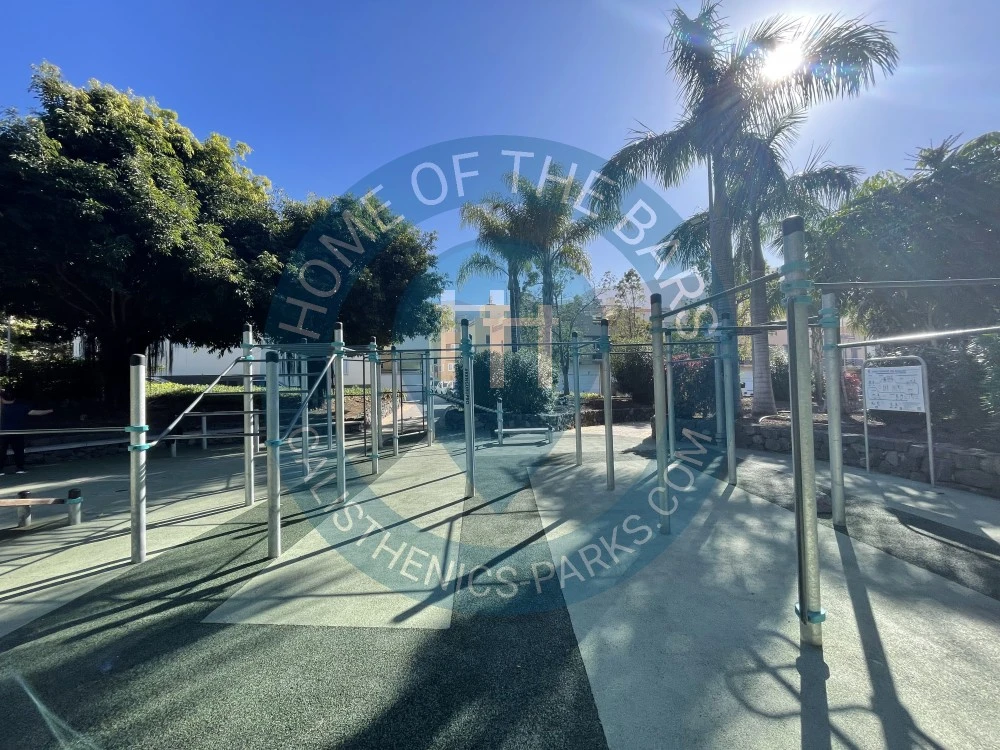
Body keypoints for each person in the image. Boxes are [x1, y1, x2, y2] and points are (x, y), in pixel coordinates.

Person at [0, 389, 53, 474]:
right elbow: (35, 412)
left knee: (1, 451)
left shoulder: (2, 408)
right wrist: (50, 410)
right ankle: (20, 468)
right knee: (19, 451)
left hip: (2, 433)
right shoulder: (21, 407)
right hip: (17, 432)